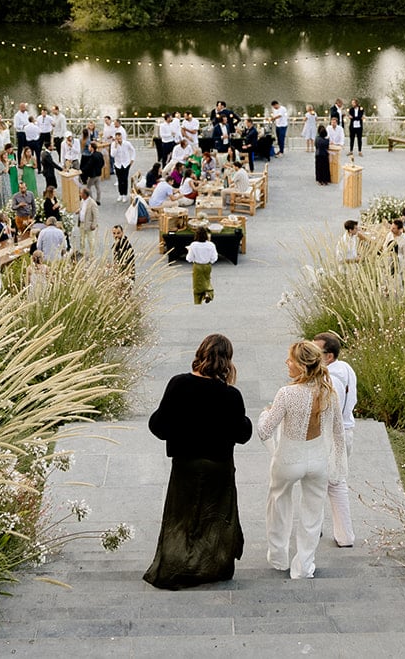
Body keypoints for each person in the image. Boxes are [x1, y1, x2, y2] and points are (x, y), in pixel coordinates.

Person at [144, 334, 253, 589]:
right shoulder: (231, 396)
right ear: (227, 361)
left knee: (181, 517)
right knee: (215, 517)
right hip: (219, 466)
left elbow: (158, 426)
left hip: (185, 463)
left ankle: (175, 566)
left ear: (200, 354)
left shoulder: (178, 384)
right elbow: (243, 434)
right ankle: (212, 567)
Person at [258, 339, 346, 580]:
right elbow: (338, 432)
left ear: (302, 366)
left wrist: (264, 414)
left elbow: (265, 431)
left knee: (278, 505)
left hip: (288, 459)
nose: (287, 363)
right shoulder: (329, 392)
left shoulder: (286, 393)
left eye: (291, 360)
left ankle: (278, 557)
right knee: (313, 514)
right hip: (318, 461)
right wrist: (337, 464)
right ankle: (304, 567)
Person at [314, 331, 357, 548]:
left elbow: (331, 415)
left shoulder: (330, 380)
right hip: (346, 431)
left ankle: (344, 535)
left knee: (333, 483)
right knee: (326, 481)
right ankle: (318, 527)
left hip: (334, 437)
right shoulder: (346, 368)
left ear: (328, 356)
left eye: (316, 350)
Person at [187, 226, 218, 305]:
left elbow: (189, 258)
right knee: (207, 280)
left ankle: (198, 301)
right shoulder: (211, 245)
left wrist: (189, 250)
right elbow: (214, 258)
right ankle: (208, 293)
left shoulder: (194, 245)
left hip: (197, 266)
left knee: (197, 285)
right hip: (207, 265)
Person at [112, 133, 136, 201]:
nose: (118, 139)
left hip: (126, 163)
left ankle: (125, 194)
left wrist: (132, 159)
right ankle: (120, 194)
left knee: (125, 179)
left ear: (121, 137)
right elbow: (112, 155)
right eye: (117, 138)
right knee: (119, 179)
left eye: (119, 137)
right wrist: (116, 146)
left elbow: (133, 150)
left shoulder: (127, 143)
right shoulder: (113, 145)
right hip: (118, 164)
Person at [77, 187, 99, 257]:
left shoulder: (92, 203)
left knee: (90, 240)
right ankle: (82, 251)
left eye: (81, 193)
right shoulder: (82, 201)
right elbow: (82, 209)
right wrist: (79, 211)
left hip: (89, 225)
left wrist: (94, 224)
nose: (80, 194)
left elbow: (96, 215)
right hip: (81, 223)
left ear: (85, 194)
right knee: (82, 238)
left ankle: (92, 253)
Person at [314, 115, 332, 186]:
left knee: (319, 167)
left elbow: (316, 146)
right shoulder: (326, 140)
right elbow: (327, 147)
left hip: (318, 154)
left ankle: (319, 180)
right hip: (324, 155)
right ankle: (325, 180)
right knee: (325, 167)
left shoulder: (317, 139)